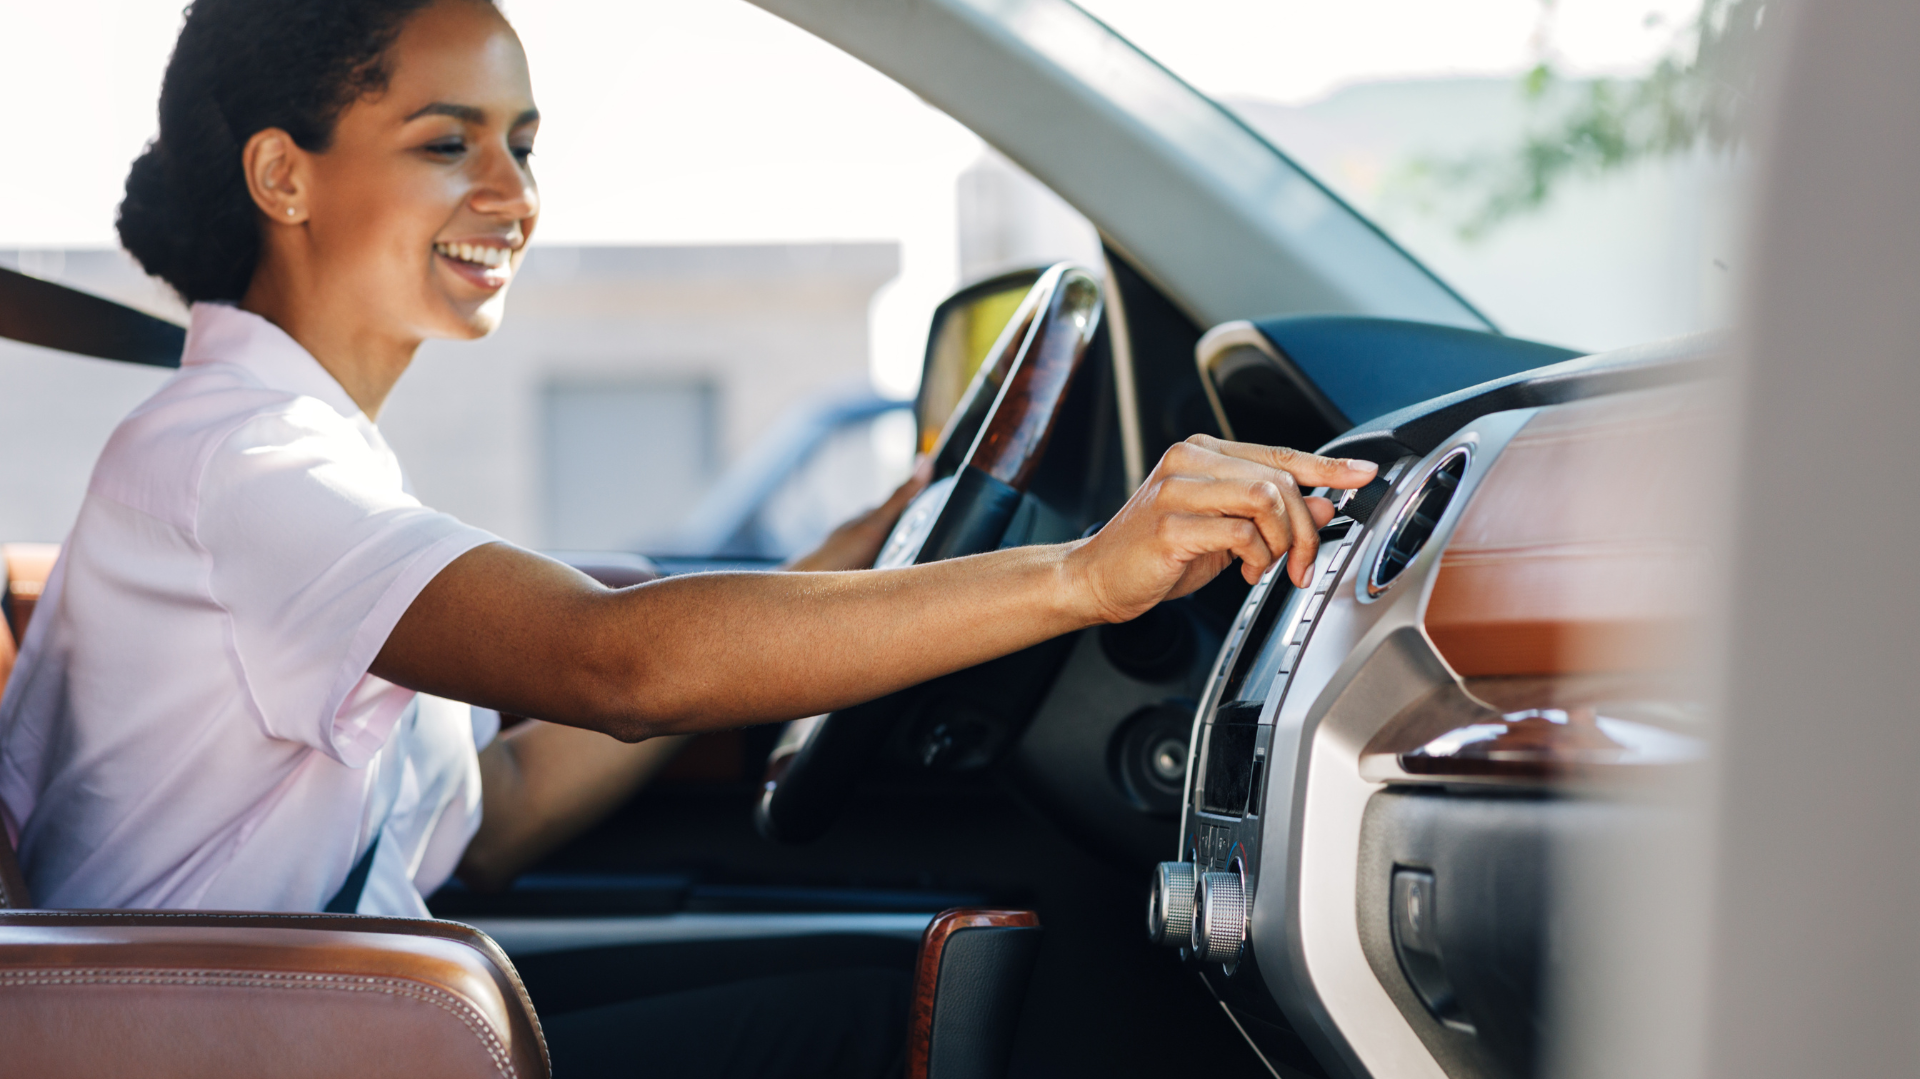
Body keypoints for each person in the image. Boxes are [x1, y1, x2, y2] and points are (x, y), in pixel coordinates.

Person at [0, 0, 1378, 1075]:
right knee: (916, 1013)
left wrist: (838, 568)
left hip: (309, 1022)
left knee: (910, 977)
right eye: (446, 142)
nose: (514, 193)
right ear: (282, 178)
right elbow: (612, 665)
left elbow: (502, 817)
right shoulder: (245, 465)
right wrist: (1084, 575)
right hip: (234, 1047)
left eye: (522, 142)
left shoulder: (275, 450)